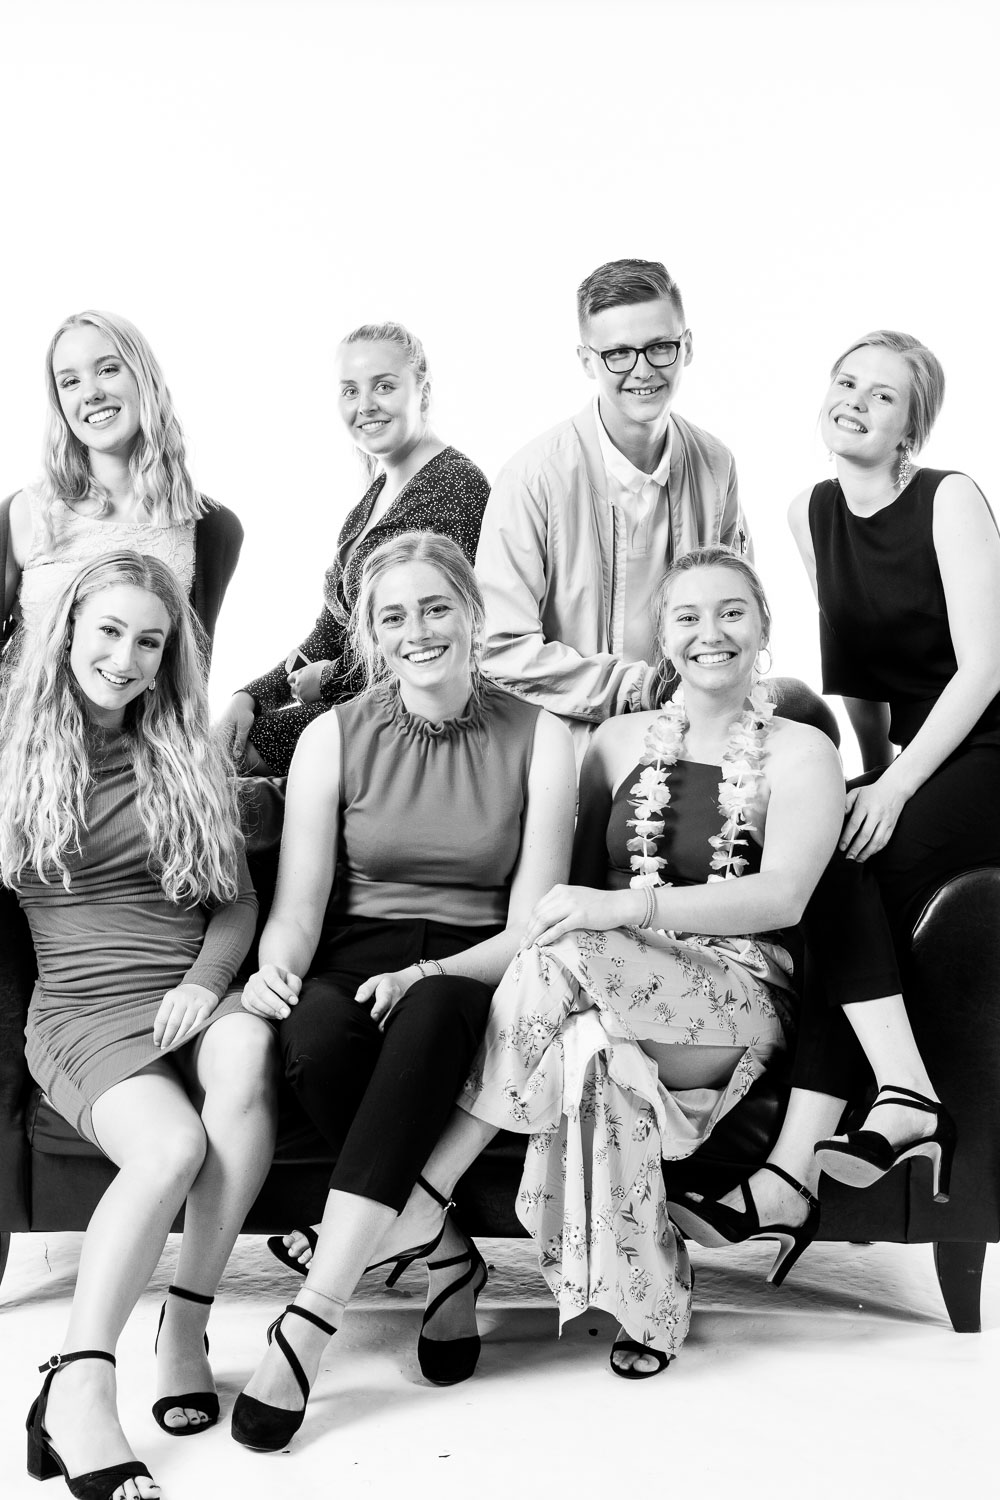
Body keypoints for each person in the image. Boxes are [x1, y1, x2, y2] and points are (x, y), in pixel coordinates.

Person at [352, 546, 845, 1382]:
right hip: (604, 982)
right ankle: (654, 1305)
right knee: (595, 1057)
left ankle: (425, 1193)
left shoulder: (801, 752)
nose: (711, 632)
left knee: (568, 950)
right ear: (663, 637)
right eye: (687, 616)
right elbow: (568, 894)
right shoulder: (616, 743)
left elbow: (785, 897)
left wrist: (633, 909)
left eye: (731, 612)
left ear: (764, 626)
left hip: (733, 998)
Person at [232, 531, 575, 1449]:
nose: (416, 630)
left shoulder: (542, 736)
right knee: (314, 1041)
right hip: (356, 949)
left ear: (473, 614)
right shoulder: (332, 735)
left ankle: (311, 1319)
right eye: (393, 617)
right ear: (371, 636)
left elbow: (532, 927)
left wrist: (430, 971)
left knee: (428, 1017)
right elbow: (300, 906)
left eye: (435, 608)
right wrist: (277, 968)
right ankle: (450, 1254)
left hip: (479, 960)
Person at [670, 331, 993, 1261]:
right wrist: (864, 777)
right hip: (918, 752)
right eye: (847, 382)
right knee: (819, 844)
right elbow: (860, 676)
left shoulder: (949, 498)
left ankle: (884, 1111)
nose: (855, 400)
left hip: (990, 742)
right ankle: (806, 1164)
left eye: (883, 395)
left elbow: (984, 669)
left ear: (909, 428)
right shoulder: (811, 511)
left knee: (846, 848)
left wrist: (895, 788)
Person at [0, 553, 276, 1500]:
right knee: (169, 1148)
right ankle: (78, 1387)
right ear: (69, 631)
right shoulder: (13, 751)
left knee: (248, 1045)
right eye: (110, 632)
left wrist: (206, 984)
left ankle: (186, 1325)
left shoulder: (185, 750)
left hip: (189, 995)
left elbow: (235, 904)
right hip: (83, 1009)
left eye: (149, 642)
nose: (125, 659)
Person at [475, 258, 751, 754]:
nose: (642, 370)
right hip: (569, 742)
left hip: (694, 725)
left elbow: (740, 608)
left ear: (687, 347)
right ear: (587, 361)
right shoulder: (533, 478)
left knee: (805, 716)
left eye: (660, 347)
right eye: (619, 353)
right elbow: (499, 648)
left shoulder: (715, 464)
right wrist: (641, 689)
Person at [217, 321, 490, 776]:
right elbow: (331, 630)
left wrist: (327, 680)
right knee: (223, 737)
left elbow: (420, 642)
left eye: (383, 386)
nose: (365, 405)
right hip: (356, 700)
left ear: (422, 393)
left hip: (403, 718)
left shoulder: (452, 487)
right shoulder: (375, 495)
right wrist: (252, 697)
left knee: (224, 760)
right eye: (350, 391)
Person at [1, 308, 243, 652]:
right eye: (70, 382)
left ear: (143, 377)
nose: (91, 393)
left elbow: (191, 670)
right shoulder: (24, 514)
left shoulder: (212, 529)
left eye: (108, 369)